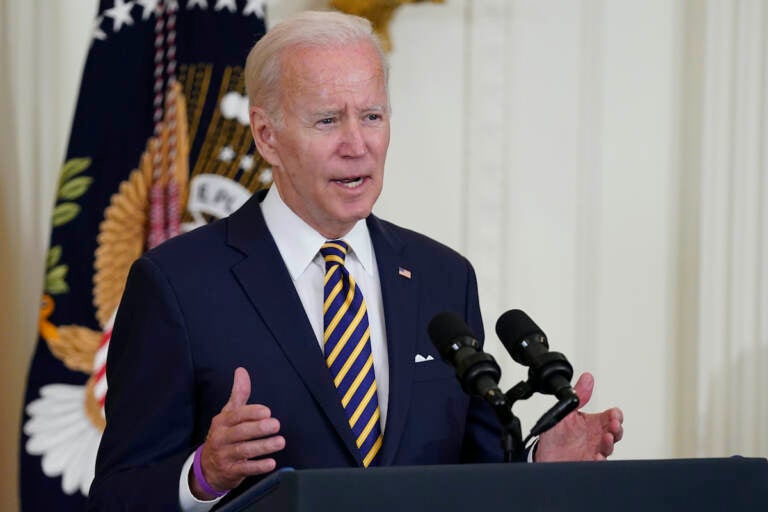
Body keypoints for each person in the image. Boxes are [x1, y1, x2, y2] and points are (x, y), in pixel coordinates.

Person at [88, 11, 623, 511]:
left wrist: (538, 466)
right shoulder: (177, 285)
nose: (357, 144)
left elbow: (470, 474)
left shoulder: (443, 277)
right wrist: (201, 475)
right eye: (327, 121)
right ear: (266, 134)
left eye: (371, 116)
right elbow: (116, 495)